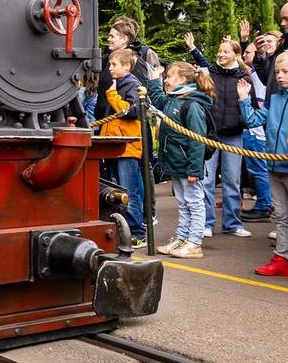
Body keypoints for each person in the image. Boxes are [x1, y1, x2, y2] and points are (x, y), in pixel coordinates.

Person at [238, 49, 288, 283]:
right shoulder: (275, 99)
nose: (280, 76)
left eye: (285, 71)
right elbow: (254, 120)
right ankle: (282, 259)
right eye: (277, 72)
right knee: (281, 216)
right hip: (273, 166)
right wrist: (244, 99)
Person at [185, 31, 255, 237]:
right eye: (219, 51)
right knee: (206, 180)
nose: (221, 54)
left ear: (236, 54)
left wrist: (245, 122)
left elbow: (251, 105)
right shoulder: (211, 74)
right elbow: (202, 64)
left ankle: (232, 223)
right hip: (211, 134)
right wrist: (193, 48)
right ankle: (207, 222)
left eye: (225, 51)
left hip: (233, 134)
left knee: (232, 180)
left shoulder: (244, 77)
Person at [147, 61, 216, 258]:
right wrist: (154, 81)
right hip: (176, 163)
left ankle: (194, 242)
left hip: (187, 165)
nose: (166, 80)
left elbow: (197, 141)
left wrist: (195, 169)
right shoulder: (174, 99)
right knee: (183, 203)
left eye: (169, 76)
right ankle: (182, 236)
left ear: (183, 79)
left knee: (194, 202)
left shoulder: (192, 105)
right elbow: (159, 100)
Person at [100, 47, 147, 248]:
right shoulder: (118, 84)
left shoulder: (132, 85)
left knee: (130, 190)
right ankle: (123, 227)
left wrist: (112, 96)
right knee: (117, 187)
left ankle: (137, 231)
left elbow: (130, 112)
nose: (110, 68)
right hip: (115, 144)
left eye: (114, 64)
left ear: (127, 66)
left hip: (127, 145)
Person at [93, 16, 161, 120]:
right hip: (106, 119)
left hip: (122, 123)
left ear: (124, 39)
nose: (108, 39)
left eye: (112, 36)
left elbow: (139, 96)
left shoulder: (135, 61)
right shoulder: (109, 60)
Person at [238, 28, 273, 222]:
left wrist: (242, 44)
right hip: (252, 128)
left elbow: (245, 66)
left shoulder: (260, 76)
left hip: (256, 129)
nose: (245, 56)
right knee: (255, 168)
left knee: (259, 168)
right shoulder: (257, 73)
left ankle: (264, 204)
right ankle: (263, 202)